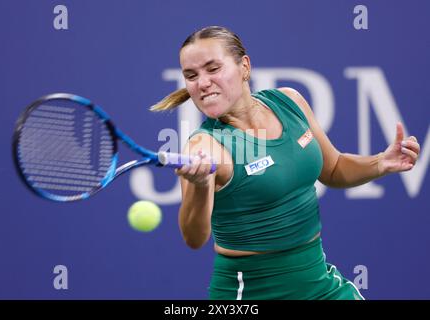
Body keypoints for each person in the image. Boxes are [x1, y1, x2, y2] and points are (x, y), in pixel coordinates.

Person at [151, 26, 421, 300]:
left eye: (213, 68)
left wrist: (380, 162)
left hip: (321, 283)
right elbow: (194, 238)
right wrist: (198, 185)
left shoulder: (289, 101)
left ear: (244, 67)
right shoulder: (205, 146)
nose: (203, 83)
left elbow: (334, 168)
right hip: (253, 294)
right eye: (191, 76)